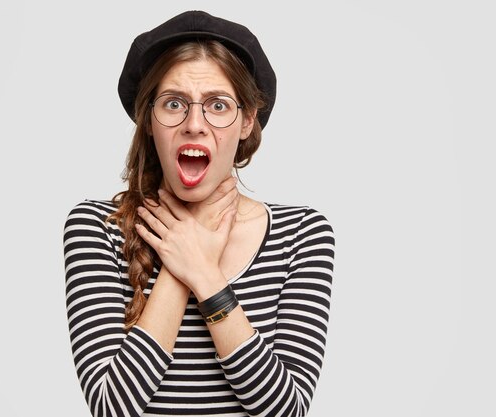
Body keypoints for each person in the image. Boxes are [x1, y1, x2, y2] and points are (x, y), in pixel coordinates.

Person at [63, 10, 335, 417]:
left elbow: (284, 411)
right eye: (174, 104)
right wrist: (181, 262)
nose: (195, 124)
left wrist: (206, 276)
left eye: (218, 105)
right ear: (148, 119)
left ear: (247, 121)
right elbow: (112, 408)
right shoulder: (97, 228)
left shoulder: (302, 235)